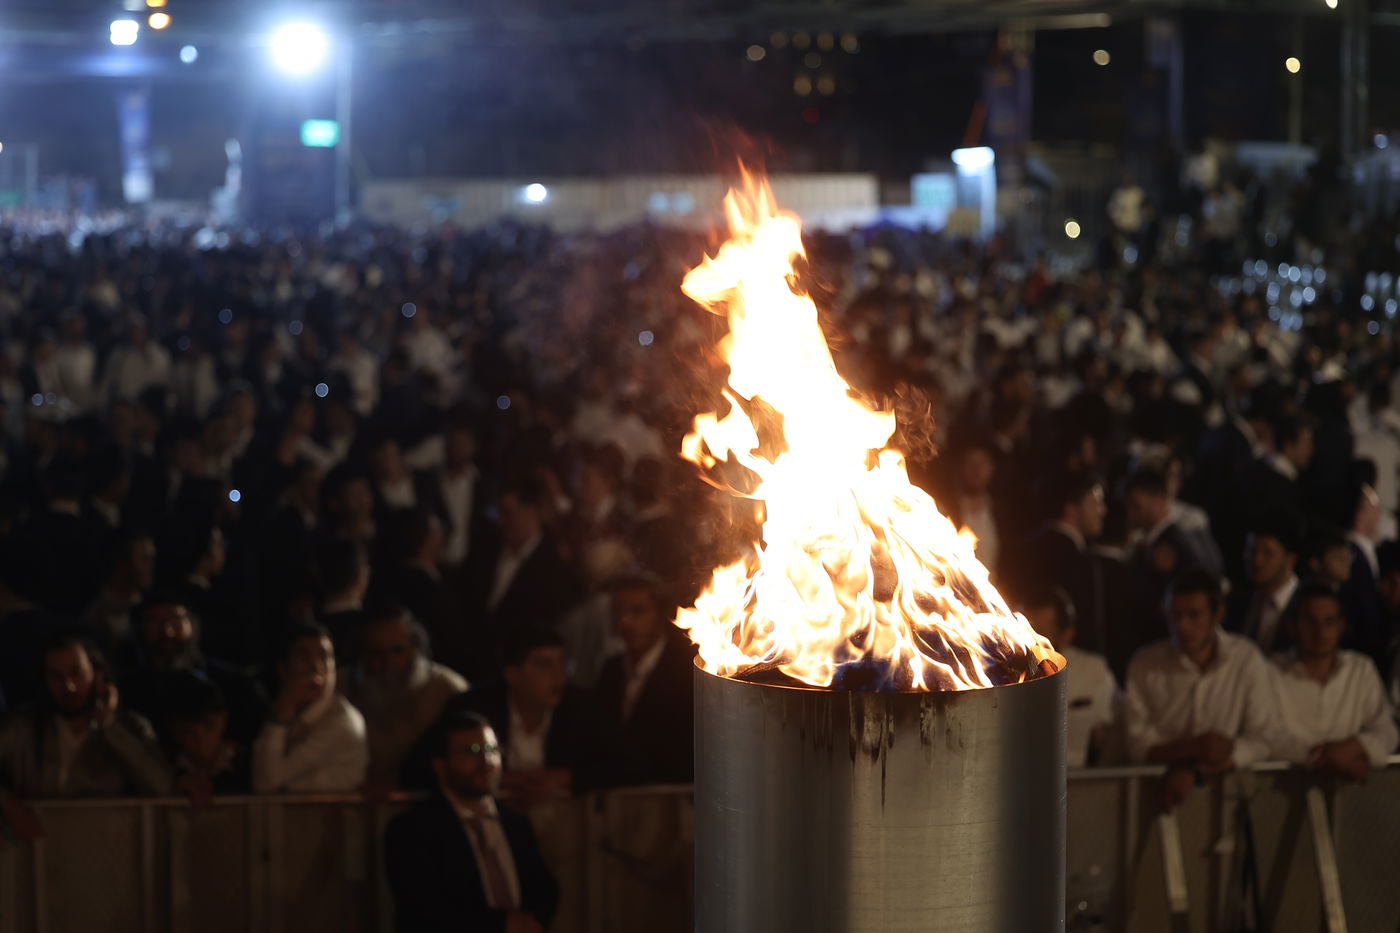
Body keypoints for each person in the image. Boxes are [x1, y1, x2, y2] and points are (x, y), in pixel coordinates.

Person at [383, 711, 558, 933]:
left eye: (491, 749)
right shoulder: (412, 830)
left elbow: (545, 889)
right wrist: (502, 925)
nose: (486, 761)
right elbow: (425, 908)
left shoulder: (516, 825)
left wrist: (534, 922)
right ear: (440, 765)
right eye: (472, 752)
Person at [1125, 571, 1286, 808]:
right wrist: (1197, 748)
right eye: (1175, 615)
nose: (1183, 625)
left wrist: (1197, 768)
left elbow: (1264, 737)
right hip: (1157, 800)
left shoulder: (1245, 658)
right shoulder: (1146, 665)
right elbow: (1136, 744)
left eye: (1194, 615)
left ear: (1218, 614)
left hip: (1230, 803)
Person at [407, 627, 618, 801]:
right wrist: (496, 778)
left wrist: (566, 777)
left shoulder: (581, 706)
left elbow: (623, 764)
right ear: (513, 675)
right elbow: (419, 767)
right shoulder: (473, 707)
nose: (559, 675)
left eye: (563, 664)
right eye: (545, 665)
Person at [0, 632, 171, 801]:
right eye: (56, 676)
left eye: (77, 673)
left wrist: (109, 724)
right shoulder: (22, 728)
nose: (69, 686)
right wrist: (7, 803)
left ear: (98, 675)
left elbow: (160, 785)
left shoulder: (130, 725)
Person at [1270, 584, 1397, 781]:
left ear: (1341, 625)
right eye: (1311, 621)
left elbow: (1387, 730)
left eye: (1329, 622)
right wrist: (1330, 758)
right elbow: (1268, 735)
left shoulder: (1360, 669)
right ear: (1292, 625)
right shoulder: (1272, 671)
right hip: (1284, 789)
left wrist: (1354, 747)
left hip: (1348, 792)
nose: (1320, 632)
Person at [340, 605, 468, 789]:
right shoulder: (340, 686)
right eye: (377, 653)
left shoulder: (447, 688)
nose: (388, 662)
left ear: (414, 648)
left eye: (397, 651)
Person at [591, 576, 695, 783]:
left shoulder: (685, 671)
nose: (625, 621)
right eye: (618, 611)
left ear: (659, 614)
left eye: (637, 611)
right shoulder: (611, 670)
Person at [251, 623, 368, 793]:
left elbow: (265, 782)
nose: (316, 666)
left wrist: (282, 711)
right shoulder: (291, 712)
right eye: (304, 657)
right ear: (283, 669)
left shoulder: (341, 721)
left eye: (325, 656)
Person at [1021, 588, 1119, 768]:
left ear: (1066, 636)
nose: (1028, 642)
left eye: (1039, 634)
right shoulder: (1000, 674)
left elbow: (1107, 734)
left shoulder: (1092, 670)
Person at [1229, 513, 1303, 655]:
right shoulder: (1238, 600)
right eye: (1251, 551)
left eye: (1267, 553)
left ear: (1290, 559)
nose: (1257, 561)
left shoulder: (1304, 604)